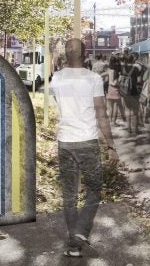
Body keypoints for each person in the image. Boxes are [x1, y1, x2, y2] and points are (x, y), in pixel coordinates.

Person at [49, 39, 118, 259]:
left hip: (65, 142)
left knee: (69, 195)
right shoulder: (93, 79)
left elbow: (57, 101)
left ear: (66, 55)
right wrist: (110, 146)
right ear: (85, 54)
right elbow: (101, 114)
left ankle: (74, 245)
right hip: (87, 141)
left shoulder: (57, 78)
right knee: (94, 189)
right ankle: (80, 233)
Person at [106, 55, 126, 126]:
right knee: (115, 107)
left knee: (110, 107)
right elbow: (115, 83)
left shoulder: (109, 70)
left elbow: (109, 80)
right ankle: (113, 122)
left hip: (109, 89)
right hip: (116, 90)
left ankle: (109, 121)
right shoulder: (118, 72)